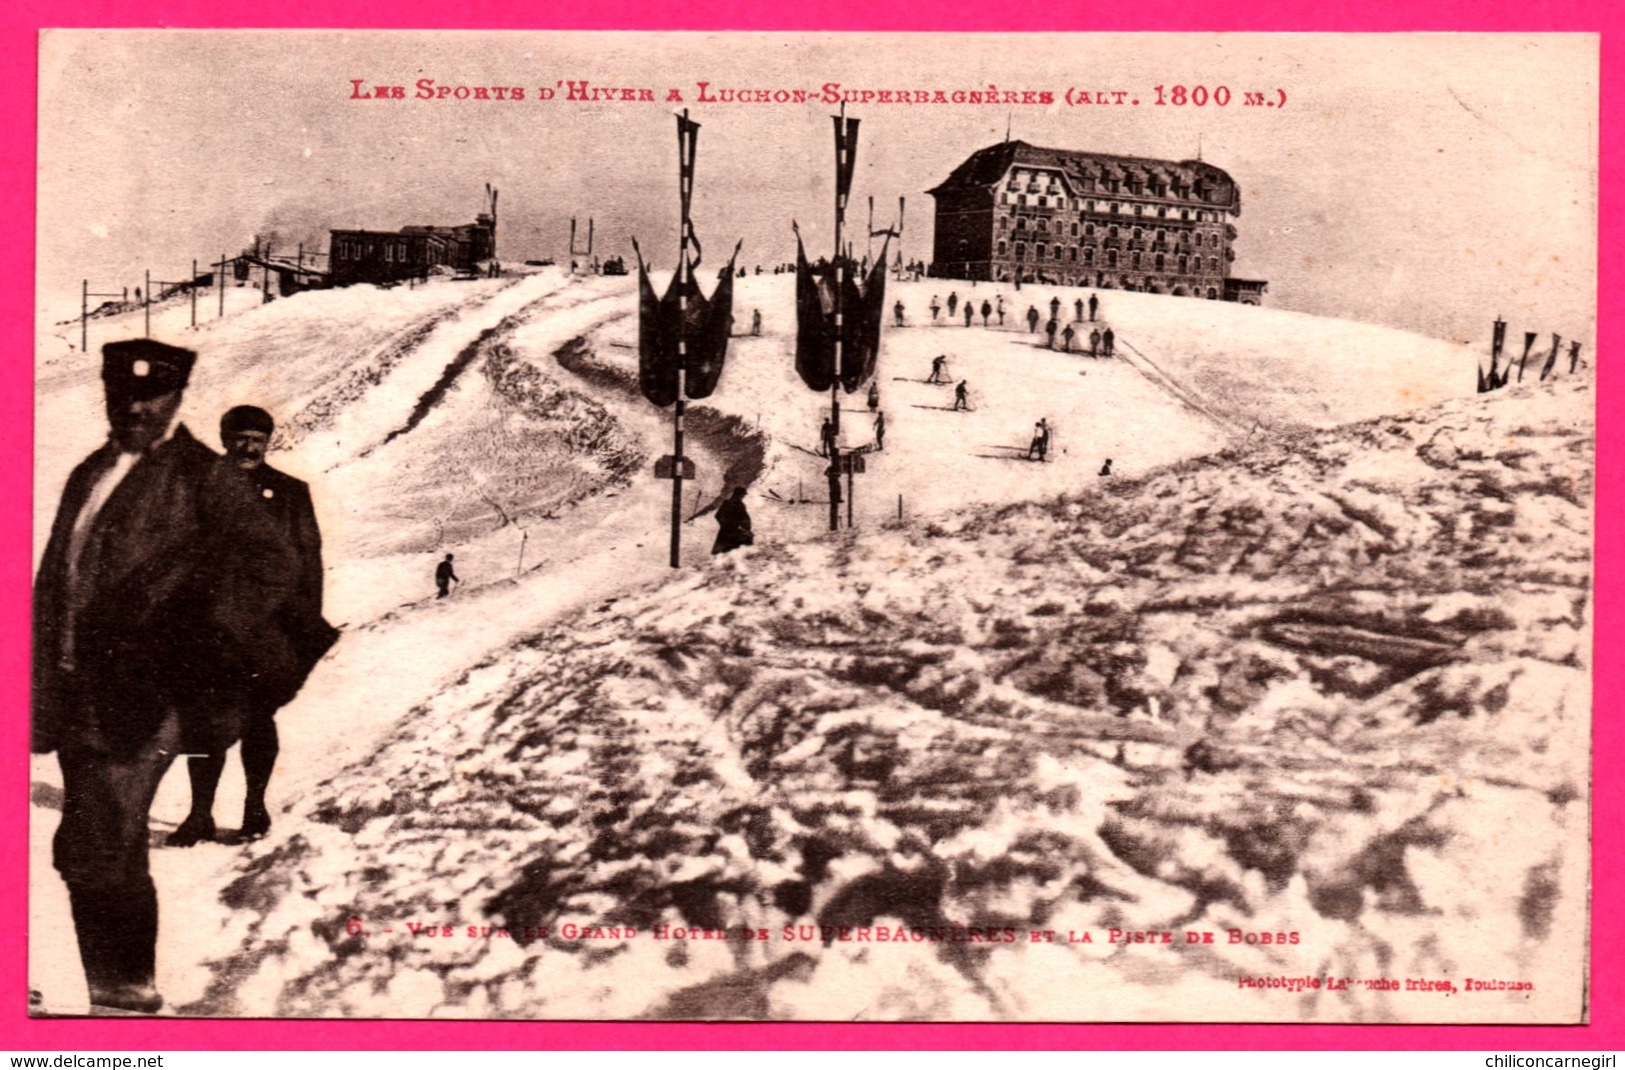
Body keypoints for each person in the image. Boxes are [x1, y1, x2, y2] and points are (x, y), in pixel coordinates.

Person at [33, 339, 299, 1014]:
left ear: (177, 398)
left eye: (150, 397)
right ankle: (112, 987)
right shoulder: (92, 470)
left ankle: (125, 998)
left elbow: (272, 564)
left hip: (145, 695)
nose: (134, 409)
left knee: (108, 836)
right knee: (83, 843)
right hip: (76, 686)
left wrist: (196, 634)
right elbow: (54, 581)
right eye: (121, 396)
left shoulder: (203, 475)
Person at [169, 406, 338, 848]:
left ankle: (255, 809)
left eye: (256, 439)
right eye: (239, 437)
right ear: (224, 438)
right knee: (204, 720)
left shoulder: (289, 493)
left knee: (258, 717)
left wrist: (302, 628)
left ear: (267, 443)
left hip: (269, 628)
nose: (248, 446)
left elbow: (309, 562)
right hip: (208, 626)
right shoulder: (196, 490)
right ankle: (199, 815)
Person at [711, 487, 753, 555]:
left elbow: (717, 516)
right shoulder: (739, 505)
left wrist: (723, 525)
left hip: (724, 531)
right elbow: (745, 519)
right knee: (737, 550)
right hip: (734, 531)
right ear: (738, 495)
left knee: (722, 552)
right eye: (742, 495)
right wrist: (745, 529)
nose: (742, 497)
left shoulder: (726, 503)